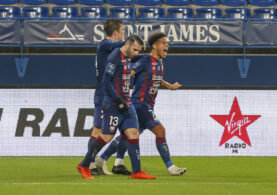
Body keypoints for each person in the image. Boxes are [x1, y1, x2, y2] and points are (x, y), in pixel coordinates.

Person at [96, 32, 187, 176]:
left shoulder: (160, 63)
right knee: (160, 131)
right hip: (140, 104)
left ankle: (103, 158)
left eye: (167, 43)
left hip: (148, 105)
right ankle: (171, 167)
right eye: (163, 43)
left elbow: (156, 79)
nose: (167, 45)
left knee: (128, 136)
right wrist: (119, 87)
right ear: (155, 46)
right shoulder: (145, 60)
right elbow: (128, 72)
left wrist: (169, 86)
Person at [77, 35, 156, 179]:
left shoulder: (128, 57)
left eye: (138, 51)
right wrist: (118, 101)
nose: (136, 53)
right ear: (127, 44)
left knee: (133, 133)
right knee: (106, 136)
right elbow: (106, 81)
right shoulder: (114, 57)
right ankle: (84, 164)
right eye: (134, 50)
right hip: (114, 104)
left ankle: (137, 172)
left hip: (127, 103)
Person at [87, 19, 128, 175]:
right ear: (115, 31)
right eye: (123, 29)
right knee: (97, 130)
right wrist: (132, 42)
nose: (124, 32)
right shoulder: (105, 44)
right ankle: (90, 164)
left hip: (115, 94)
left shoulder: (115, 50)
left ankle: (116, 162)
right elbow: (119, 45)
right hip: (104, 93)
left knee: (127, 129)